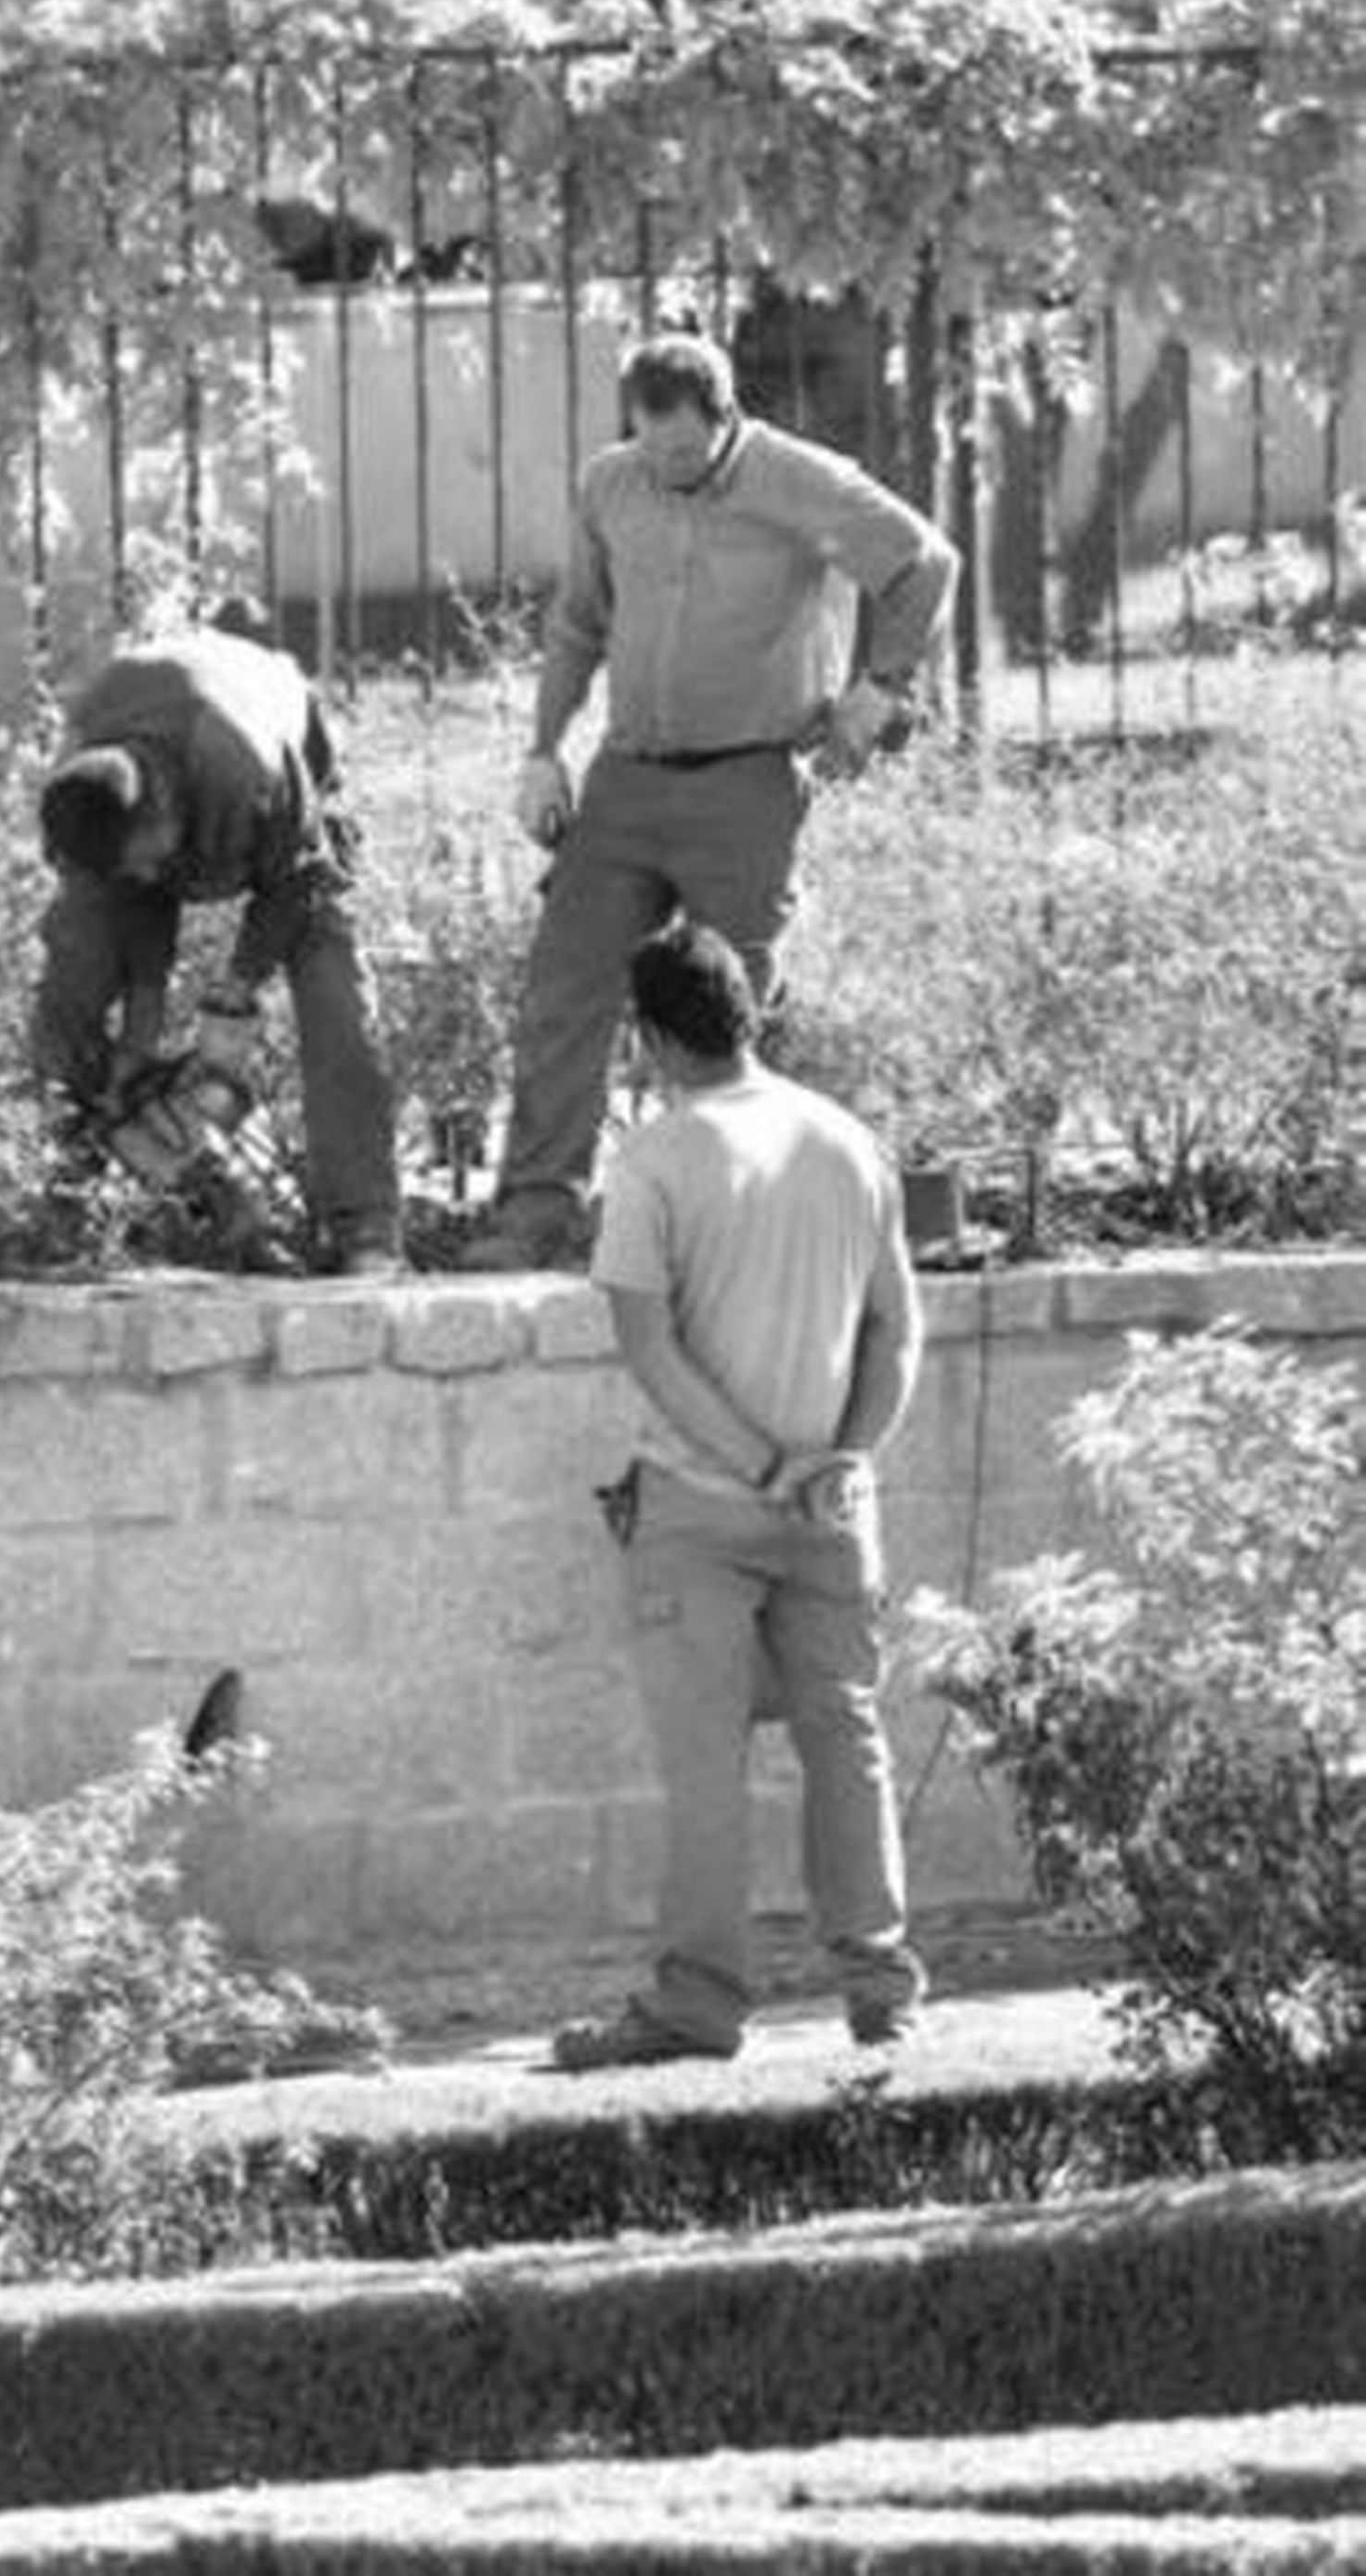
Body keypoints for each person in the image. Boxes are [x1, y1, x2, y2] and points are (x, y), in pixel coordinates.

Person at [462, 330, 958, 1273]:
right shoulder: (612, 484)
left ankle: (728, 1222)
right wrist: (541, 753)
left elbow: (925, 562)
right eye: (653, 451)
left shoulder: (797, 480)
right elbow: (577, 624)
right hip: (626, 780)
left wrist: (880, 685)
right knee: (563, 992)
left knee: (727, 1016)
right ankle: (538, 1214)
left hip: (748, 784)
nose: (669, 470)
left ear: (725, 420)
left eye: (685, 455)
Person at [553, 919, 925, 2070]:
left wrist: (764, 1468)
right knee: (847, 1737)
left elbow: (652, 1354)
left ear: (652, 1036)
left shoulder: (658, 1160)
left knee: (704, 1761)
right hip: (830, 1510)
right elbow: (896, 1328)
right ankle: (882, 1994)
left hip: (703, 1506)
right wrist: (841, 1461)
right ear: (748, 1011)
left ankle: (699, 2007)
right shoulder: (845, 1140)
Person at [30, 621, 402, 1275]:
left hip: (293, 799)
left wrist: (237, 989)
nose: (149, 880)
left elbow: (295, 884)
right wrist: (136, 1047)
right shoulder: (83, 790)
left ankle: (367, 1229)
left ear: (165, 812)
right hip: (145, 762)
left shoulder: (245, 762)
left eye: (149, 861)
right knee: (75, 965)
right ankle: (63, 1202)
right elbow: (135, 901)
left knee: (331, 990)